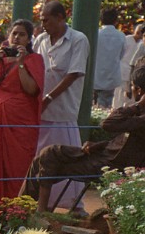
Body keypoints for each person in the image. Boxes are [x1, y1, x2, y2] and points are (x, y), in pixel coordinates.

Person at [22, 65, 145, 212]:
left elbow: (107, 124)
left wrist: (137, 106)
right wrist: (98, 145)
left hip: (108, 166)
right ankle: (21, 207)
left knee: (49, 157)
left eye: (132, 86)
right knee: (43, 159)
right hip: (102, 155)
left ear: (139, 90)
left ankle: (38, 212)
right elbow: (123, 142)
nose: (130, 90)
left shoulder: (141, 116)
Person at [0, 20, 44, 201]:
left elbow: (31, 89)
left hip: (20, 124)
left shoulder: (34, 59)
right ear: (8, 36)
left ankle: (14, 208)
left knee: (17, 166)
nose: (16, 37)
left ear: (29, 39)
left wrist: (21, 64)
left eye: (22, 34)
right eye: (14, 33)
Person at [34, 1, 89, 212]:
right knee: (40, 159)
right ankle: (41, 203)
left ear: (60, 17)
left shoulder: (78, 39)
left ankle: (75, 204)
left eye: (46, 20)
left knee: (65, 157)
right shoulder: (40, 40)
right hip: (40, 112)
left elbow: (73, 74)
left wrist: (48, 98)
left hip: (63, 110)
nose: (43, 24)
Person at [92, 8, 126, 108]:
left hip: (95, 75)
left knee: (94, 106)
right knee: (107, 104)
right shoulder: (121, 36)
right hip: (111, 76)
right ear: (116, 21)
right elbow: (122, 55)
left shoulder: (95, 34)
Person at [115, 23, 144, 108]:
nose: (138, 35)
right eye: (137, 32)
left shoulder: (141, 43)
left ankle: (129, 108)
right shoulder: (127, 39)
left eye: (140, 33)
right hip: (122, 68)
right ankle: (117, 108)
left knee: (131, 93)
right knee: (119, 91)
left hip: (135, 71)